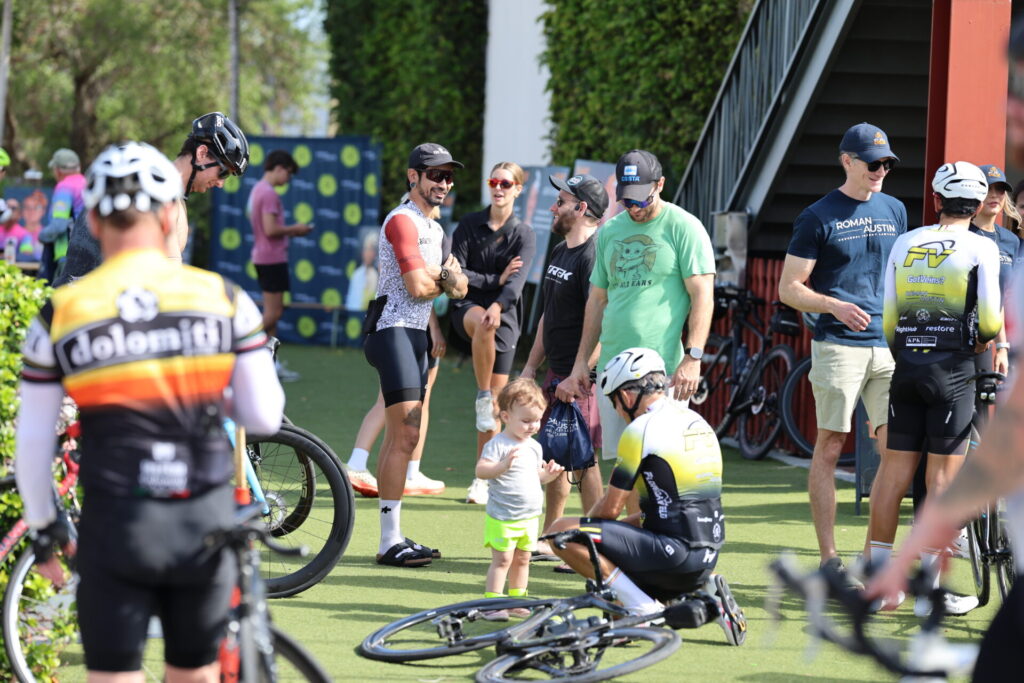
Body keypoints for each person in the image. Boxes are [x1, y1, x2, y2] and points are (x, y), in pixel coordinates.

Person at [14, 141, 284, 682]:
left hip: (118, 525)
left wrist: (45, 532)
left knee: (112, 674)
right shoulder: (224, 298)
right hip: (201, 522)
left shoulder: (60, 311)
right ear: (169, 214)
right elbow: (262, 415)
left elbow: (33, 442)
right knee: (194, 671)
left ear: (92, 216)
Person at [865, 161, 1002, 617]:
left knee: (891, 476)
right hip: (953, 373)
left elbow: (887, 318)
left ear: (937, 198)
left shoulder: (905, 241)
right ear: (980, 203)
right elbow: (988, 321)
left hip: (905, 367)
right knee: (940, 484)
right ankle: (928, 594)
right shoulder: (980, 247)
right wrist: (978, 342)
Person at [777, 122, 907, 581]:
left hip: (888, 348)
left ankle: (876, 556)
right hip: (838, 347)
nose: (881, 171)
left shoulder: (895, 209)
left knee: (896, 449)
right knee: (830, 446)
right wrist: (833, 303)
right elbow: (789, 288)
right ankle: (830, 558)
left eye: (887, 163)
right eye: (873, 163)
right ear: (846, 161)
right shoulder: (817, 215)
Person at [547, 348, 746, 645]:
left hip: (673, 557)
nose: (615, 410)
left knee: (561, 532)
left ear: (626, 397)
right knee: (619, 538)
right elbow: (661, 510)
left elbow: (609, 511)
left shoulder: (641, 429)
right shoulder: (696, 421)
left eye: (613, 401)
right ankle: (701, 593)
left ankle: (644, 610)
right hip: (707, 554)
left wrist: (578, 527)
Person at [560, 149, 716, 471]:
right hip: (612, 369)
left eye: (641, 199)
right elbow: (598, 301)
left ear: (660, 184)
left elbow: (703, 295)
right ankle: (634, 524)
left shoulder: (684, 227)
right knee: (626, 466)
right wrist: (580, 366)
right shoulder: (610, 231)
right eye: (627, 200)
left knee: (663, 465)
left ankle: (653, 525)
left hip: (664, 370)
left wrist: (694, 357)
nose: (634, 207)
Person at [364, 142, 468, 567]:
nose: (443, 182)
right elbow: (417, 288)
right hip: (390, 329)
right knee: (405, 435)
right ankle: (389, 540)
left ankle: (393, 536)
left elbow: (460, 290)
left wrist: (440, 277)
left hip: (416, 334)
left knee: (402, 435)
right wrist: (445, 275)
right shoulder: (402, 221)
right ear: (413, 177)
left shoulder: (436, 229)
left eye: (448, 175)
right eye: (435, 174)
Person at [520, 173, 608, 559]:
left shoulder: (593, 257)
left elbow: (602, 325)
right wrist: (529, 368)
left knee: (585, 460)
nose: (554, 207)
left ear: (582, 208)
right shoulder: (560, 251)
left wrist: (579, 374)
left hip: (580, 378)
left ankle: (594, 546)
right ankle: (552, 537)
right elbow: (547, 317)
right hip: (556, 372)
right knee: (555, 454)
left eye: (563, 200)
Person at [57, 111, 249, 285]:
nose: (221, 183)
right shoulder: (159, 198)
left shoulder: (158, 191)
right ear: (202, 153)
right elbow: (170, 281)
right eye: (223, 173)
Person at [452, 162, 536, 506]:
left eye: (506, 183)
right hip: (467, 308)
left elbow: (516, 284)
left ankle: (483, 477)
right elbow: (455, 275)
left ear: (518, 189)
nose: (498, 188)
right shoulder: (468, 225)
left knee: (495, 413)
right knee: (484, 324)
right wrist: (493, 281)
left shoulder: (524, 233)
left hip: (505, 316)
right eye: (493, 181)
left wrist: (500, 299)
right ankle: (483, 393)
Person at [475, 379, 564, 618]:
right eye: (526, 421)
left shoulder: (534, 447)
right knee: (503, 560)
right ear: (505, 417)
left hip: (529, 516)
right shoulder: (498, 444)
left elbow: (537, 477)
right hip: (503, 516)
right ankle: (492, 606)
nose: (532, 426)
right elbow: (481, 471)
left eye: (537, 420)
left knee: (523, 559)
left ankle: (516, 600)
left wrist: (549, 475)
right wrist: (501, 467)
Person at [346, 308, 448, 498]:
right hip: (411, 327)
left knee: (387, 400)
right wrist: (434, 327)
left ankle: (357, 462)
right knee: (417, 402)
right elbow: (422, 287)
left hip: (392, 325)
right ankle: (410, 473)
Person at [248, 149, 312, 380]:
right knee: (273, 313)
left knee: (272, 313)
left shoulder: (257, 189)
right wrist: (297, 229)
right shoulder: (268, 194)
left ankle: (270, 365)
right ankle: (236, 347)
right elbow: (270, 229)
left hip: (266, 257)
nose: (288, 179)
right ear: (279, 168)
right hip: (271, 258)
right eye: (289, 174)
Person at [971, 164, 1021, 376]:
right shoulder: (962, 232)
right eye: (987, 189)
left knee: (984, 405)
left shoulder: (1010, 240)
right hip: (957, 336)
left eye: (999, 190)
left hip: (990, 337)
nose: (994, 195)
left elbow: (999, 298)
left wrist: (1002, 347)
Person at [37, 148, 86, 283]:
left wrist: (41, 236)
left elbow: (58, 225)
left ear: (58, 170)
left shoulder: (65, 186)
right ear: (79, 166)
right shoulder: (88, 183)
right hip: (91, 255)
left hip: (68, 256)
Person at [1, 197, 38, 262]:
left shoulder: (24, 234)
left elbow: (27, 255)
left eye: (13, 208)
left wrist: (6, 257)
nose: (10, 210)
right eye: (7, 207)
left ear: (20, 214)